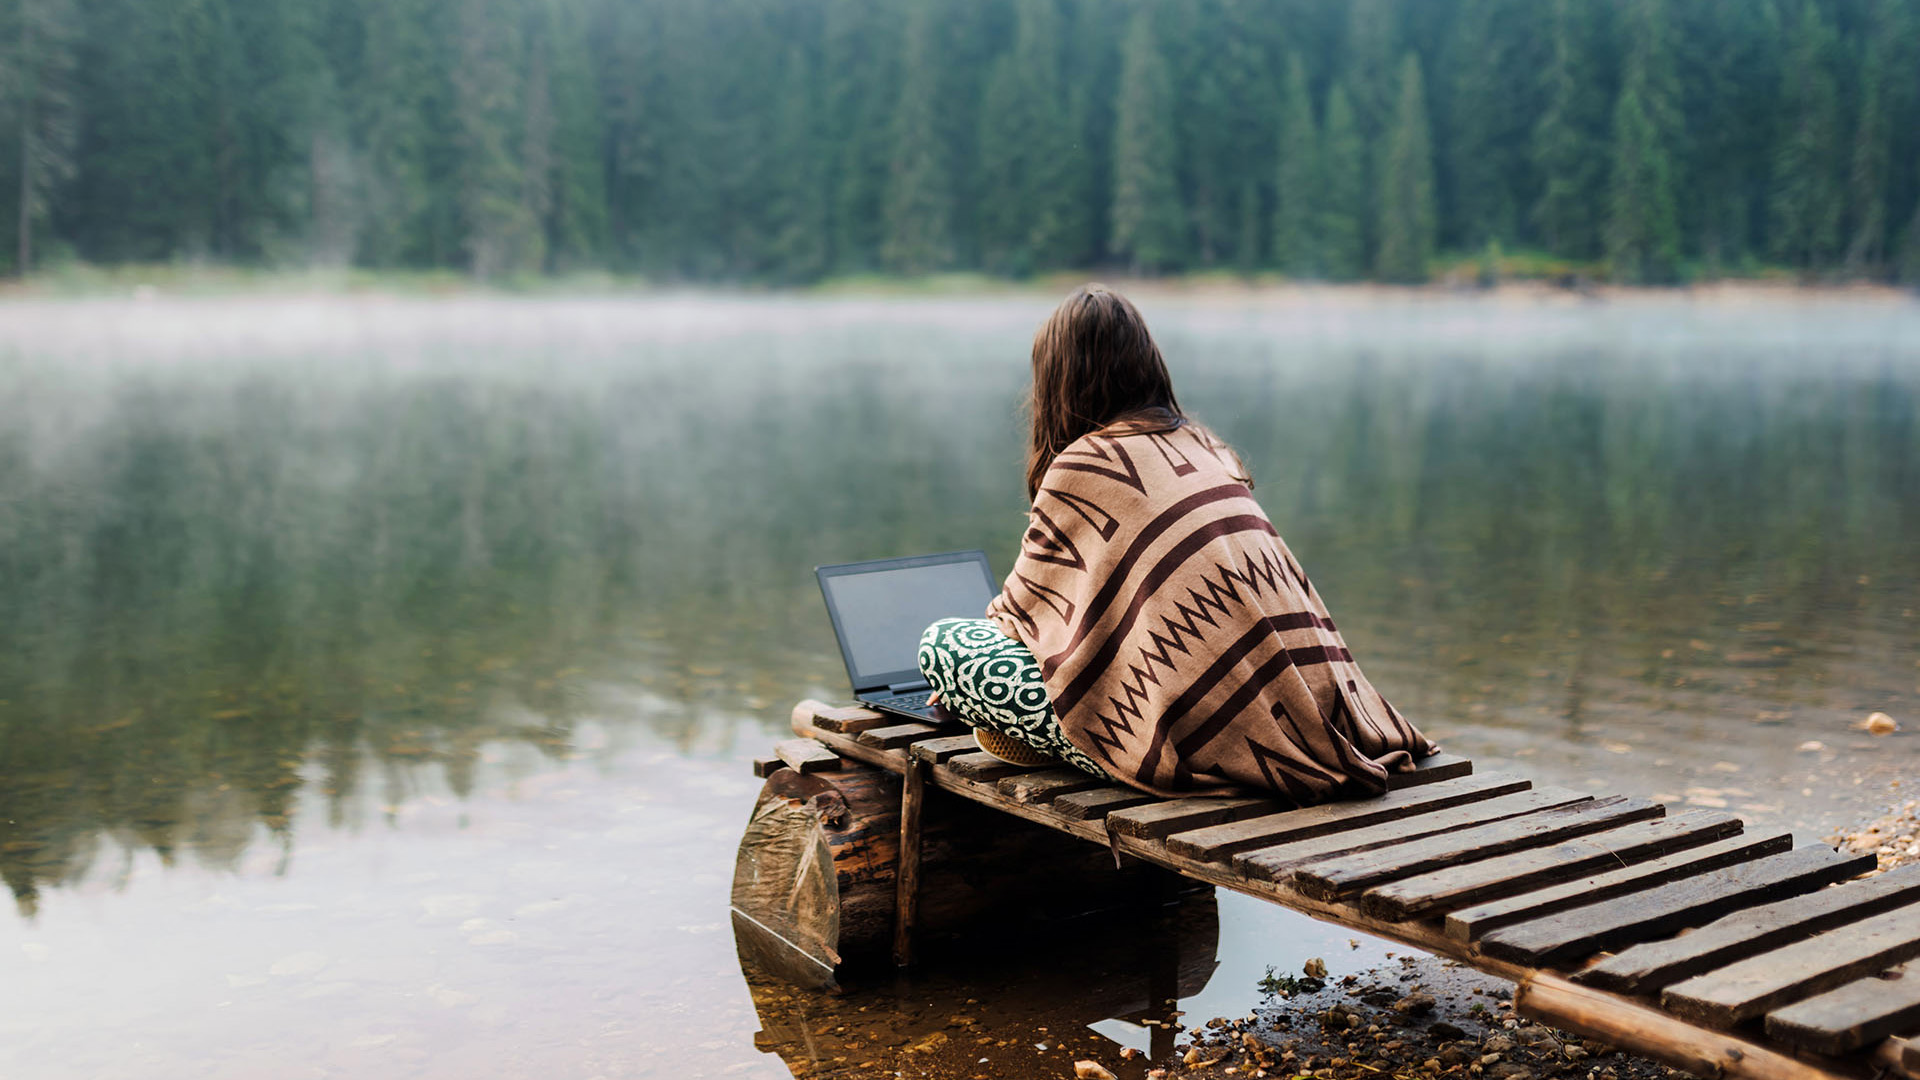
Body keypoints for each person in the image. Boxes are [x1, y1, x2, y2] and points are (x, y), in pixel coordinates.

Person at [917, 284, 1436, 802]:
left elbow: (1018, 616)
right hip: (1293, 713)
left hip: (1179, 742)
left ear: (1056, 380)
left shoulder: (1083, 465)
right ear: (1146, 364)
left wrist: (963, 692)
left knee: (943, 644)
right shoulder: (1205, 447)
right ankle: (1038, 728)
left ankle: (1050, 734)